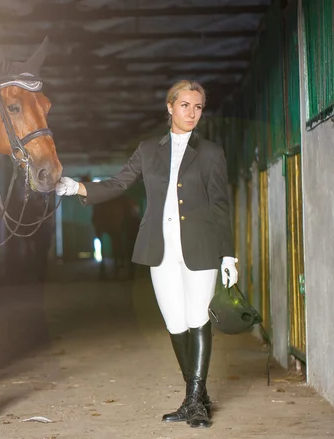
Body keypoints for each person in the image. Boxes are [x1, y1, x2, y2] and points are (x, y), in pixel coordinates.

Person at [55, 80, 238, 429]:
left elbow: (220, 206)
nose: (192, 113)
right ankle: (197, 397)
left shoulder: (212, 153)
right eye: (185, 105)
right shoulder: (148, 149)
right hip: (159, 248)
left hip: (201, 247)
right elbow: (119, 183)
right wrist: (77, 187)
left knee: (198, 317)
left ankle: (194, 402)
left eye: (198, 107)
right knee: (175, 323)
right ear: (170, 107)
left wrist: (228, 255)